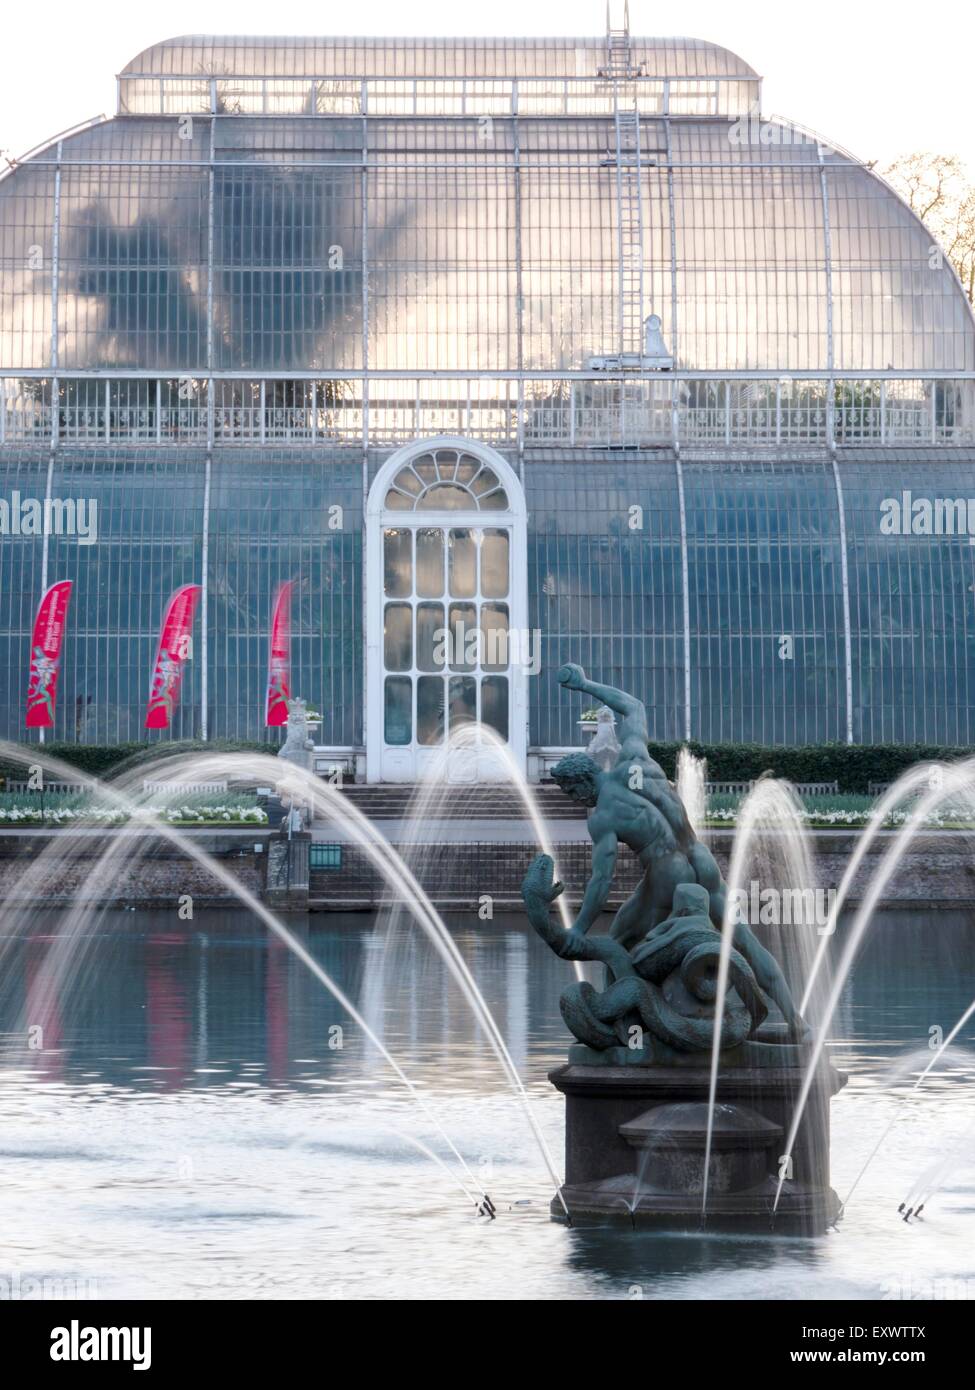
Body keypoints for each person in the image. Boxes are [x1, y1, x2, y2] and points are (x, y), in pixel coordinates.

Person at [551, 662, 806, 1037]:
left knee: (621, 936)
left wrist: (580, 928)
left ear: (581, 781)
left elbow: (602, 879)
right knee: (744, 939)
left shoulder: (603, 815)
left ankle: (628, 1025)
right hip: (701, 861)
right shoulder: (635, 758)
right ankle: (795, 1021)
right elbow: (634, 707)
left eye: (571, 792)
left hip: (668, 875)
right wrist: (587, 684)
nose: (575, 799)